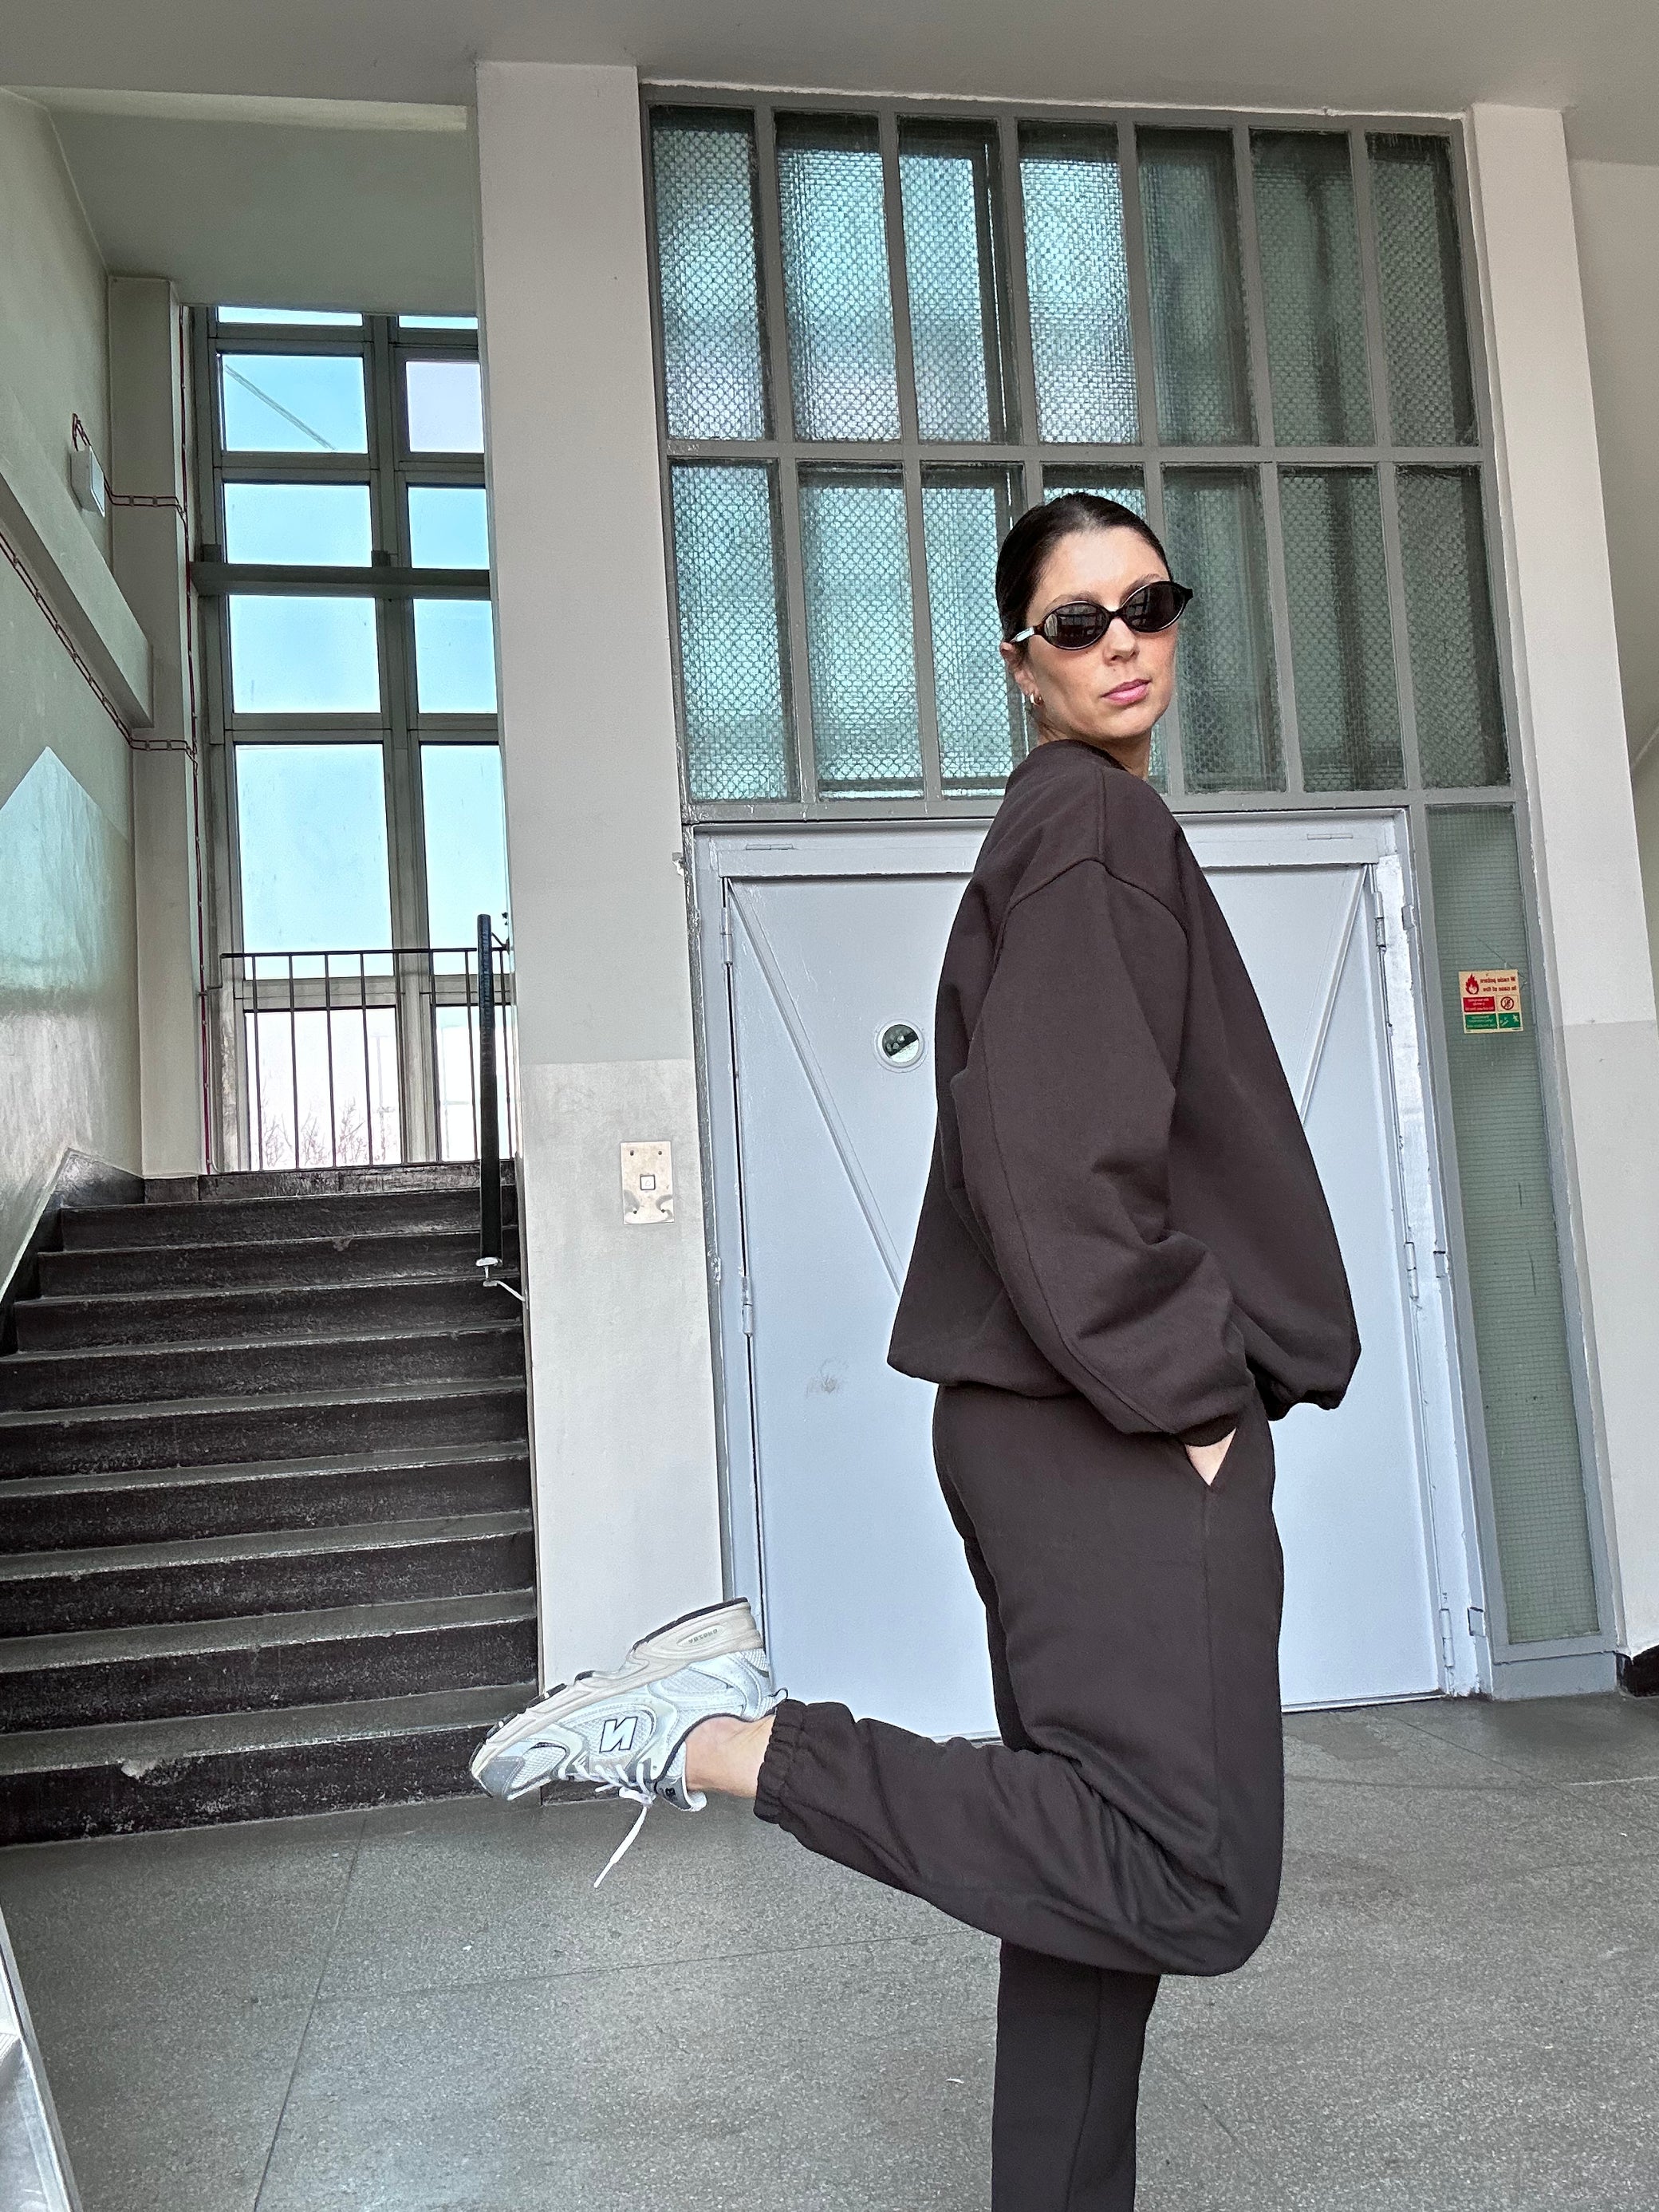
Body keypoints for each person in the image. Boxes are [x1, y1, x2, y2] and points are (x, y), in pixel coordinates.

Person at [471, 493, 1360, 2210]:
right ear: (1021, 664)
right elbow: (1054, 1154)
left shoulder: (1069, 832)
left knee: (1089, 1881)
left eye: (1149, 604)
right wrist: (1191, 1396)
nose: (1123, 643)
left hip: (1049, 1420)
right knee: (1189, 1875)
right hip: (1110, 1425)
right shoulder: (1093, 829)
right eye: (1077, 622)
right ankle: (721, 1737)